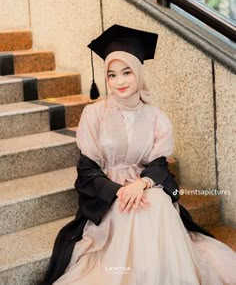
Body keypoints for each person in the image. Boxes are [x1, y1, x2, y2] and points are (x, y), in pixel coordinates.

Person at [42, 25, 236, 285]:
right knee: (136, 208)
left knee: (156, 202)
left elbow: (158, 166)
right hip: (108, 195)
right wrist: (119, 191)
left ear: (139, 73)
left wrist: (141, 184)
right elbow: (87, 171)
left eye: (126, 72)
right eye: (112, 75)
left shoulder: (156, 117)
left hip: (145, 185)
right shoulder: (94, 115)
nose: (119, 81)